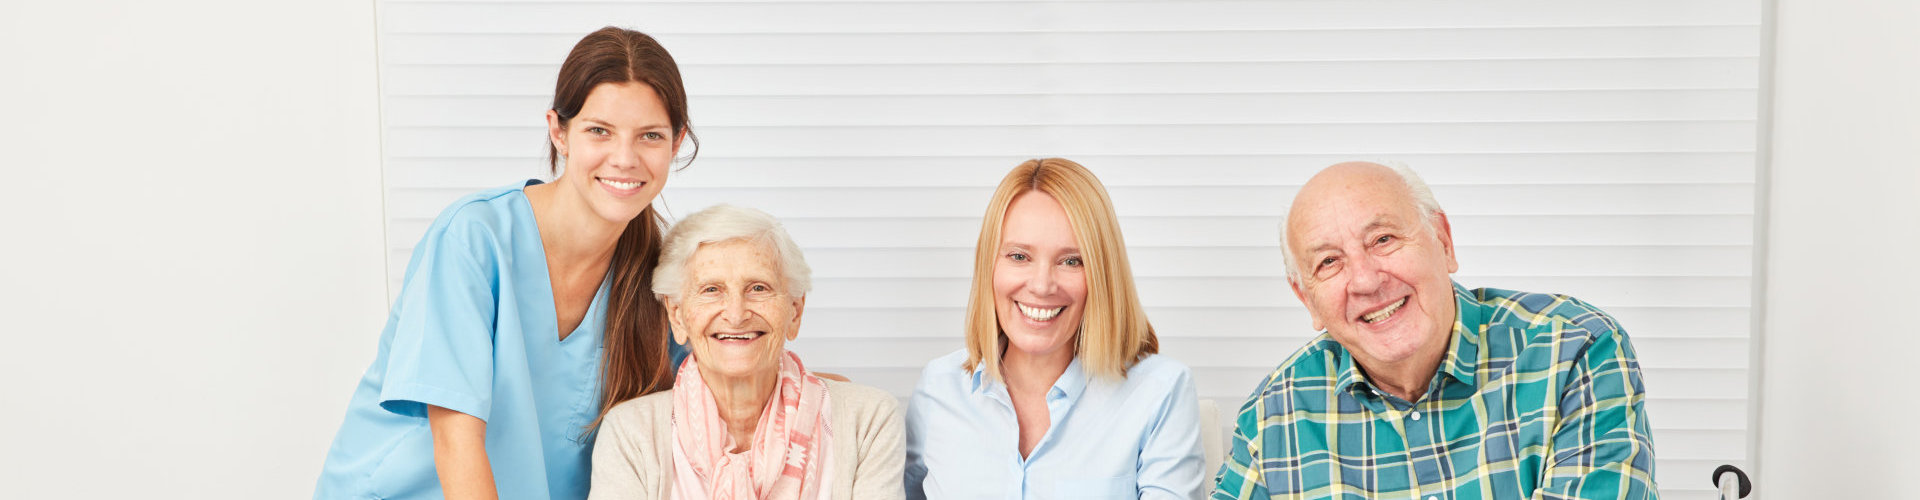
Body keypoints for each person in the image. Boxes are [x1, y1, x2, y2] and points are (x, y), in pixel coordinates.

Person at [314, 27, 695, 500]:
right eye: (599, 130)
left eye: (650, 136)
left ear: (676, 143)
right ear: (559, 131)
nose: (624, 158)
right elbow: (457, 439)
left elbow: (730, 382)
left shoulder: (660, 277)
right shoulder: (474, 240)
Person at [1209, 161, 1658, 499]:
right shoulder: (1273, 416)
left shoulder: (1574, 350)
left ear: (1443, 242)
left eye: (1382, 239)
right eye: (1329, 262)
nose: (1365, 280)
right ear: (1307, 299)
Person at [906, 158, 1206, 499]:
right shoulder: (938, 389)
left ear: (1102, 275)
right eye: (1019, 256)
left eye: (1071, 261)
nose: (1042, 285)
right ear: (989, 265)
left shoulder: (1161, 392)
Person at [588, 204, 906, 500]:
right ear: (677, 316)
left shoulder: (867, 419)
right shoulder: (631, 432)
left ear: (794, 312)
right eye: (711, 290)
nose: (736, 314)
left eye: (758, 288)